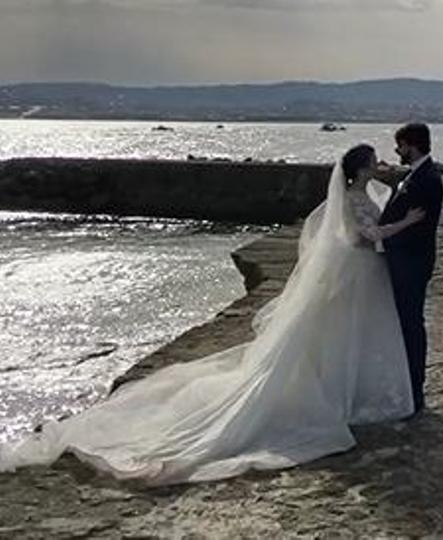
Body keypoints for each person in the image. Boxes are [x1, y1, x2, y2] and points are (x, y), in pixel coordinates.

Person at [0, 145, 414, 485]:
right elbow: (366, 235)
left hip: (359, 271)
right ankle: (342, 394)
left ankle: (349, 390)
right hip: (358, 269)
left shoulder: (362, 194)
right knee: (343, 334)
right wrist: (406, 223)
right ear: (360, 169)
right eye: (374, 160)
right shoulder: (357, 198)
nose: (380, 165)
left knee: (345, 336)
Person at [377, 122, 443, 415]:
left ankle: (414, 389)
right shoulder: (416, 175)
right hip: (406, 260)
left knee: (410, 325)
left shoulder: (426, 179)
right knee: (405, 324)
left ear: (411, 145)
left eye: (400, 145)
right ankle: (407, 385)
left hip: (411, 263)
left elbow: (416, 227)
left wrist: (382, 235)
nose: (397, 151)